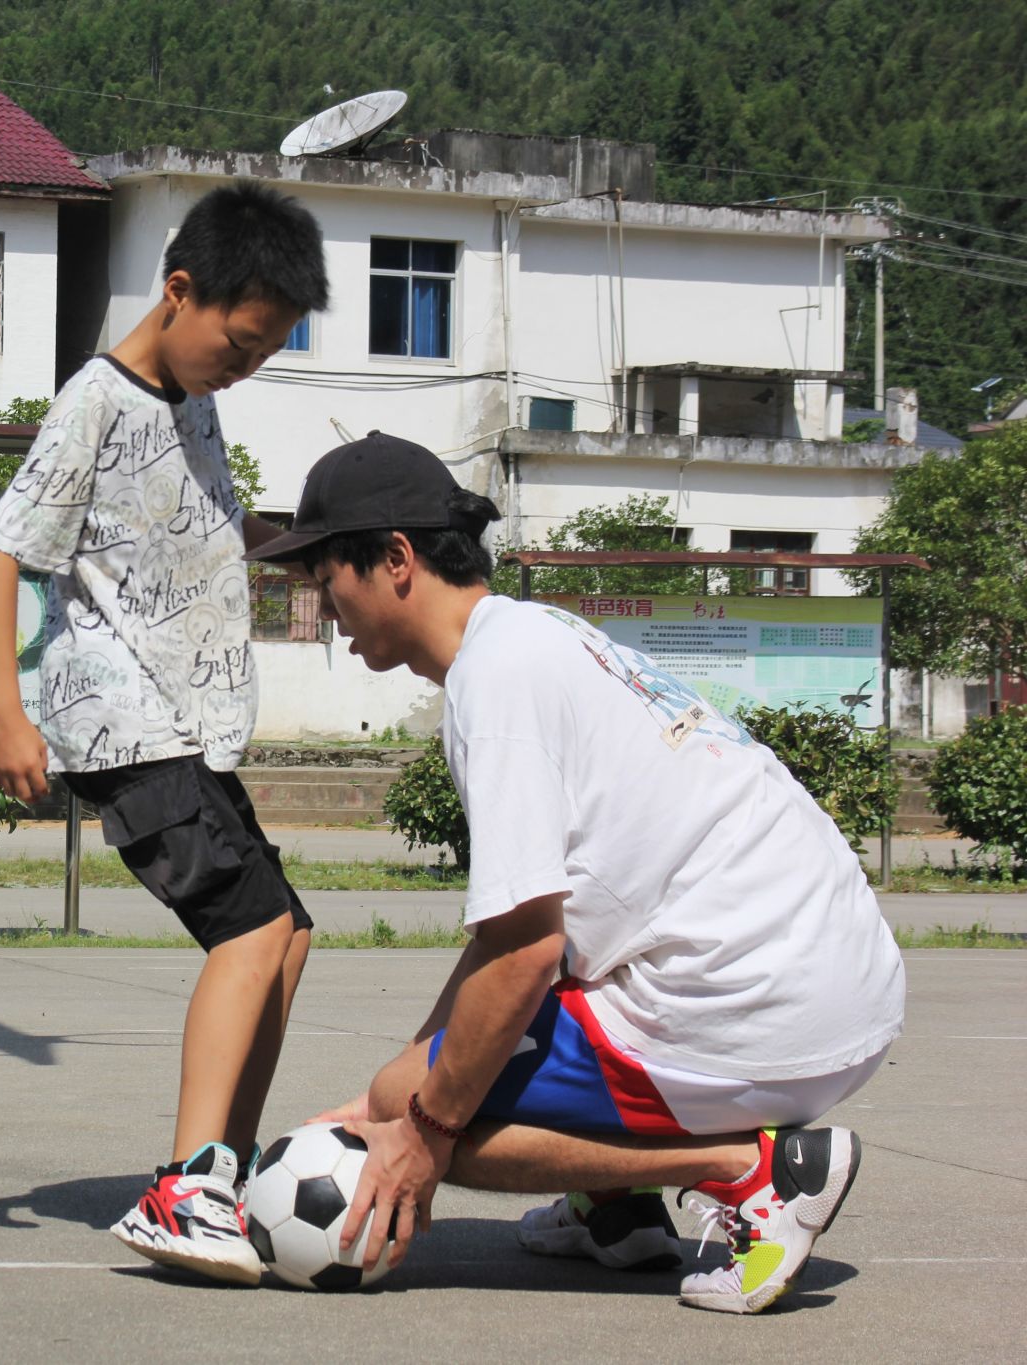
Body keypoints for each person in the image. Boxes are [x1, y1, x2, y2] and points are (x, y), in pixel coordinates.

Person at [246, 432, 905, 1313]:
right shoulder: (536, 635)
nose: (324, 607)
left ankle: (753, 1171)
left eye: (326, 580)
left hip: (760, 998)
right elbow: (511, 941)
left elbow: (525, 955)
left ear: (395, 560)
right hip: (827, 976)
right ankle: (613, 1207)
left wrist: (416, 1129)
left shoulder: (499, 681)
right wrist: (395, 1085)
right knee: (416, 1082)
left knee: (435, 1107)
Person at [0, 182, 328, 1285]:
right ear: (179, 291)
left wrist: (306, 541)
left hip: (187, 722)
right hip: (122, 720)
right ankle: (187, 1184)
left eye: (266, 352)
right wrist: (2, 708)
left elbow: (195, 527)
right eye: (241, 341)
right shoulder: (98, 399)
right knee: (249, 932)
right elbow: (1, 545)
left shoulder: (192, 399)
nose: (246, 366)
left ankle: (222, 1177)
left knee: (289, 935)